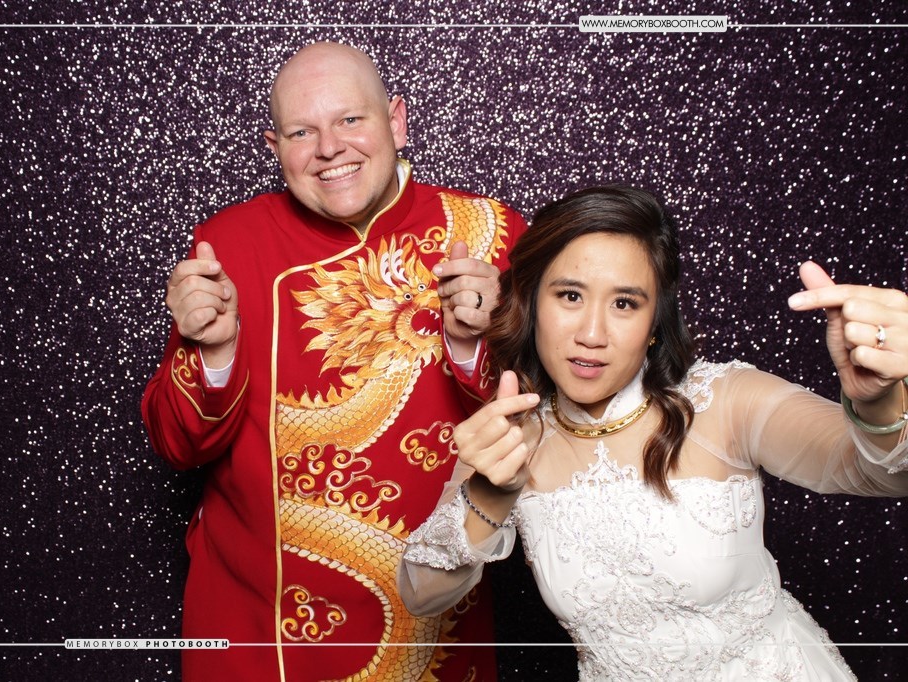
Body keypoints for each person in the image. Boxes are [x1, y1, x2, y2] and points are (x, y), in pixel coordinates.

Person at [399, 186, 908, 680]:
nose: (592, 335)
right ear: (531, 303)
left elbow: (884, 475)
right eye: (570, 296)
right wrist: (491, 493)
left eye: (625, 303)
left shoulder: (725, 401)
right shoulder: (510, 433)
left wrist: (879, 400)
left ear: (655, 322)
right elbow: (420, 595)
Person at [141, 41, 527, 681]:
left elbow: (547, 432)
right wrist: (212, 352)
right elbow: (178, 447)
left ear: (397, 121)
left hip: (437, 622)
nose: (329, 148)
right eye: (302, 132)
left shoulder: (491, 233)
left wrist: (471, 343)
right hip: (260, 630)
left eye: (351, 119)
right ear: (275, 147)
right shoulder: (227, 244)